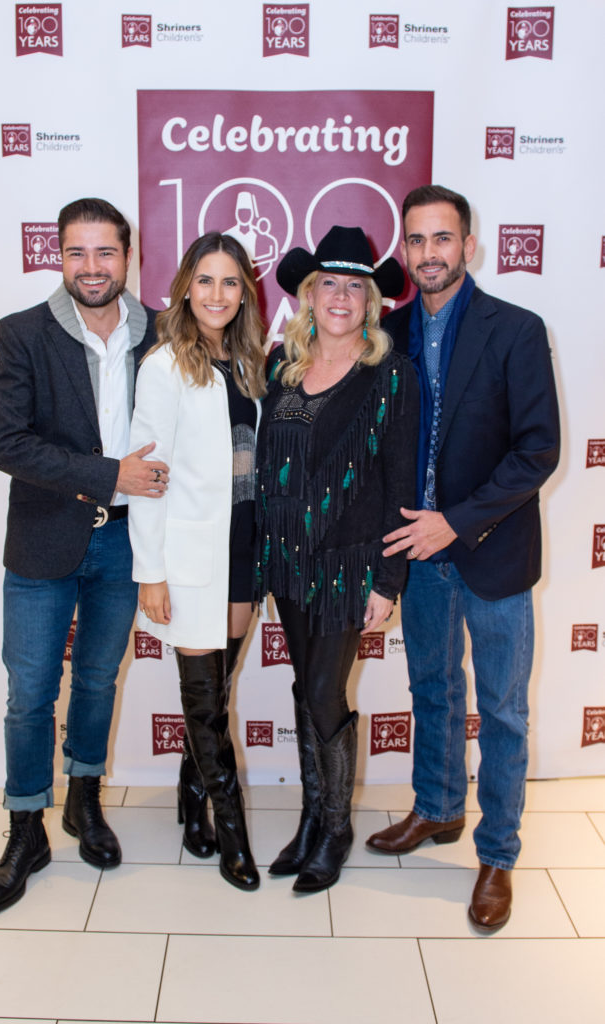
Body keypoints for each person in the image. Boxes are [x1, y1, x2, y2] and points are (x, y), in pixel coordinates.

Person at [364, 185, 560, 933]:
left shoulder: (517, 329)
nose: (428, 254)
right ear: (404, 250)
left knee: (503, 711)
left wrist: (458, 522)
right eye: (415, 241)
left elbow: (538, 450)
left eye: (442, 239)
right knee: (434, 690)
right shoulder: (393, 329)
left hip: (494, 553)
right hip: (420, 555)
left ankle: (498, 855)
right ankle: (439, 809)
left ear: (468, 246)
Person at [0, 198, 169, 914]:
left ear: (129, 254)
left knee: (96, 681)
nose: (92, 268)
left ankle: (82, 802)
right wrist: (106, 473)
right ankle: (25, 826)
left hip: (126, 541)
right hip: (42, 539)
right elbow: (8, 445)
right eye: (77, 254)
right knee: (30, 693)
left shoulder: (158, 331)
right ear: (59, 257)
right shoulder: (24, 333)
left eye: (106, 253)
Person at [256, 226, 419, 893]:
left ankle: (336, 825)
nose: (342, 296)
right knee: (303, 688)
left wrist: (390, 579)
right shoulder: (280, 365)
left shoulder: (392, 375)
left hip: (350, 564)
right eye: (330, 283)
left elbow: (401, 483)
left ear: (373, 299)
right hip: (288, 561)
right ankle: (309, 820)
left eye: (357, 285)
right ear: (309, 293)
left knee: (325, 691)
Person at [128, 231, 267, 891]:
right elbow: (148, 474)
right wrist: (149, 570)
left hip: (242, 550)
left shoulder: (248, 362)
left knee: (219, 689)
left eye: (230, 282)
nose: (217, 294)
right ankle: (230, 832)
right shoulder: (164, 365)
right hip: (187, 555)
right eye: (205, 280)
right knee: (206, 704)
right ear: (186, 286)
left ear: (245, 292)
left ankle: (190, 798)